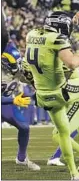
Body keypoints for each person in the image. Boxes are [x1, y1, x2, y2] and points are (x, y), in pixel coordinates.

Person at [25, 10, 79, 180]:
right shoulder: (57, 39)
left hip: (42, 95)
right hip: (61, 92)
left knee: (64, 133)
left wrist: (72, 25)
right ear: (61, 27)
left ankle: (75, 174)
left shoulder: (32, 34)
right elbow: (72, 62)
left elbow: (52, 41)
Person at [2, 42, 40, 171]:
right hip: (8, 101)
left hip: (7, 104)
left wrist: (34, 79)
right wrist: (13, 100)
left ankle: (21, 158)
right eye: (13, 64)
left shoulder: (17, 70)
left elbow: (31, 79)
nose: (16, 67)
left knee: (24, 127)